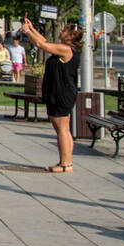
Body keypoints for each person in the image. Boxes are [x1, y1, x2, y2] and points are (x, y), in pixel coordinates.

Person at [22, 18, 81, 173]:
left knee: (61, 129)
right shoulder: (67, 49)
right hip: (62, 92)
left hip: (61, 93)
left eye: (64, 31)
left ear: (70, 36)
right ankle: (66, 162)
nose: (61, 32)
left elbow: (41, 45)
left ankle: (65, 164)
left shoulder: (67, 50)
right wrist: (32, 28)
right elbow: (44, 41)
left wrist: (27, 32)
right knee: (64, 129)